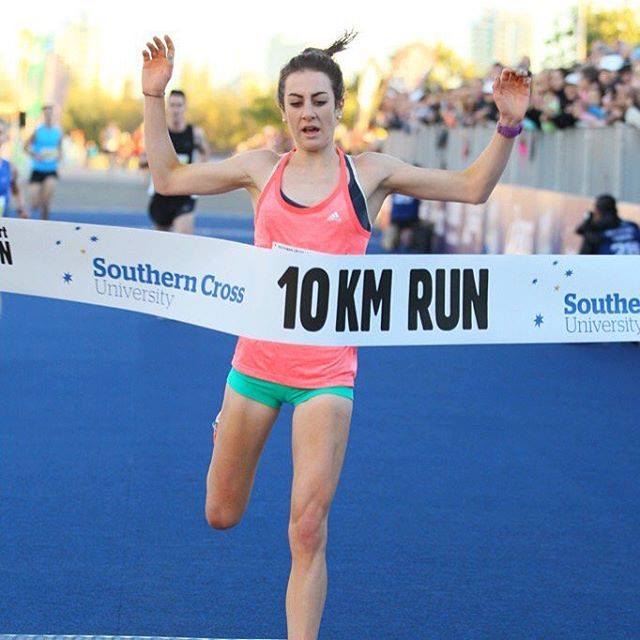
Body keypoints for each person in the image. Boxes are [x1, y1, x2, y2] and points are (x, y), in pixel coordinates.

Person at [141, 32, 531, 639]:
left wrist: (506, 127)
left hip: (326, 376)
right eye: (296, 102)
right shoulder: (259, 170)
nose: (308, 113)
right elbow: (166, 178)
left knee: (307, 527)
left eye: (319, 101)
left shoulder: (369, 175)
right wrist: (153, 95)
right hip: (256, 365)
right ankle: (225, 434)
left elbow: (471, 188)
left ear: (338, 105)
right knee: (221, 514)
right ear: (283, 110)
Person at [140, 89, 211, 233]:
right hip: (162, 192)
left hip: (184, 194)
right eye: (172, 105)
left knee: (183, 241)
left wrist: (200, 173)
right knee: (161, 244)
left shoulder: (196, 134)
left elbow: (206, 159)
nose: (176, 110)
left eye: (179, 105)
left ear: (185, 107)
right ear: (167, 107)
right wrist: (146, 163)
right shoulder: (158, 132)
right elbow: (143, 161)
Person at [23, 105, 62, 220]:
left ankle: (45, 224)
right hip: (37, 169)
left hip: (51, 170)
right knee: (34, 203)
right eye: (46, 114)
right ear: (43, 116)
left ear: (53, 115)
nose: (48, 116)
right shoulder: (37, 131)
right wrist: (34, 154)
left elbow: (60, 149)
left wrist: (59, 155)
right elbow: (25, 147)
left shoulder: (58, 132)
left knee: (46, 200)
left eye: (50, 113)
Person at [576, 194, 640, 254]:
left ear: (598, 211)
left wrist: (588, 222)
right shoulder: (632, 226)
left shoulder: (595, 233)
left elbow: (582, 261)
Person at [0, 118, 28, 219]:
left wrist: (21, 209)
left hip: (3, 220)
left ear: (5, 138)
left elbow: (16, 189)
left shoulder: (10, 167)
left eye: (0, 133)